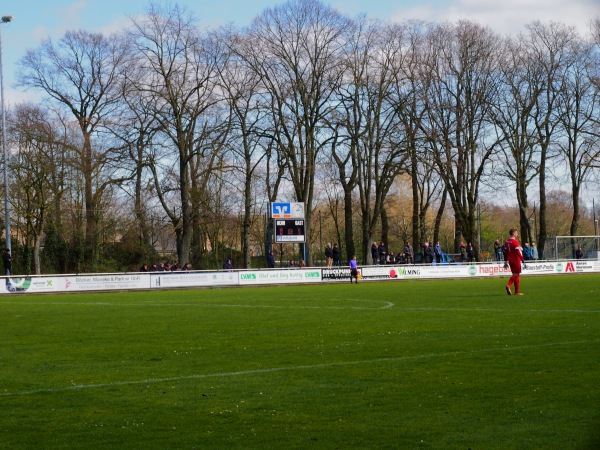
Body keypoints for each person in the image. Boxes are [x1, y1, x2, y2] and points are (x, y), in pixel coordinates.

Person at [503, 228, 526, 296]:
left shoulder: (507, 242)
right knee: (516, 275)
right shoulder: (515, 242)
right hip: (516, 260)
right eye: (516, 233)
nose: (517, 234)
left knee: (516, 275)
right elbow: (518, 253)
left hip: (510, 260)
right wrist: (523, 261)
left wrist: (506, 261)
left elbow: (505, 252)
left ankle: (516, 291)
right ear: (513, 233)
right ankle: (508, 285)